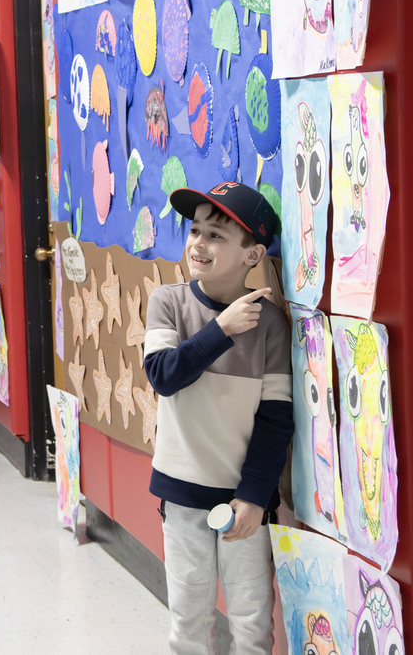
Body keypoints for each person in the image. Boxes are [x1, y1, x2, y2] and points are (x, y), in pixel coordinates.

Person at [143, 181, 294, 654]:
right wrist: (219, 330)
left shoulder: (269, 324)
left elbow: (275, 420)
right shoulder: (167, 302)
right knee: (189, 621)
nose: (199, 244)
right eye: (195, 231)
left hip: (245, 501)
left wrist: (253, 496)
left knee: (252, 625)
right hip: (182, 493)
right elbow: (164, 375)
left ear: (253, 255)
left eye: (216, 236)